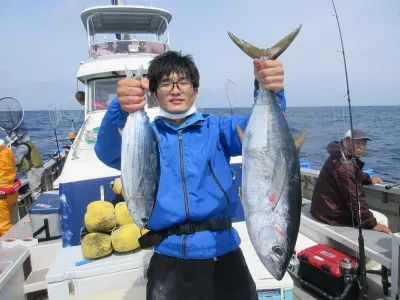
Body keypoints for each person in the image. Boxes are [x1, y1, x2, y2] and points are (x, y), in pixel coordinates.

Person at [95, 50, 286, 299]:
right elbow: (107, 151)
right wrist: (119, 108)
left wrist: (269, 88)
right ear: (153, 95)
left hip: (224, 252)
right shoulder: (145, 137)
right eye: (166, 83)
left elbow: (264, 134)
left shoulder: (219, 129)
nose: (175, 89)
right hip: (170, 258)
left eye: (183, 82)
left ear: (195, 91)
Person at [311, 129, 391, 234]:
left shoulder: (339, 155)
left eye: (364, 144)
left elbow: (356, 173)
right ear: (345, 142)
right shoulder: (345, 166)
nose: (361, 147)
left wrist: (368, 179)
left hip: (322, 209)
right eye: (357, 143)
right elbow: (355, 199)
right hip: (331, 215)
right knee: (382, 219)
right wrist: (372, 224)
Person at [7, 131, 44, 201]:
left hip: (33, 171)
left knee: (35, 191)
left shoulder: (22, 147)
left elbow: (17, 161)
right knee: (38, 189)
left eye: (13, 143)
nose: (13, 145)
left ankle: (40, 207)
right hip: (38, 168)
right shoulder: (29, 143)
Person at [0, 139, 21, 236]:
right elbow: (14, 163)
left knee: (4, 226)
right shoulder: (8, 151)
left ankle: (12, 241)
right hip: (11, 192)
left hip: (2, 195)